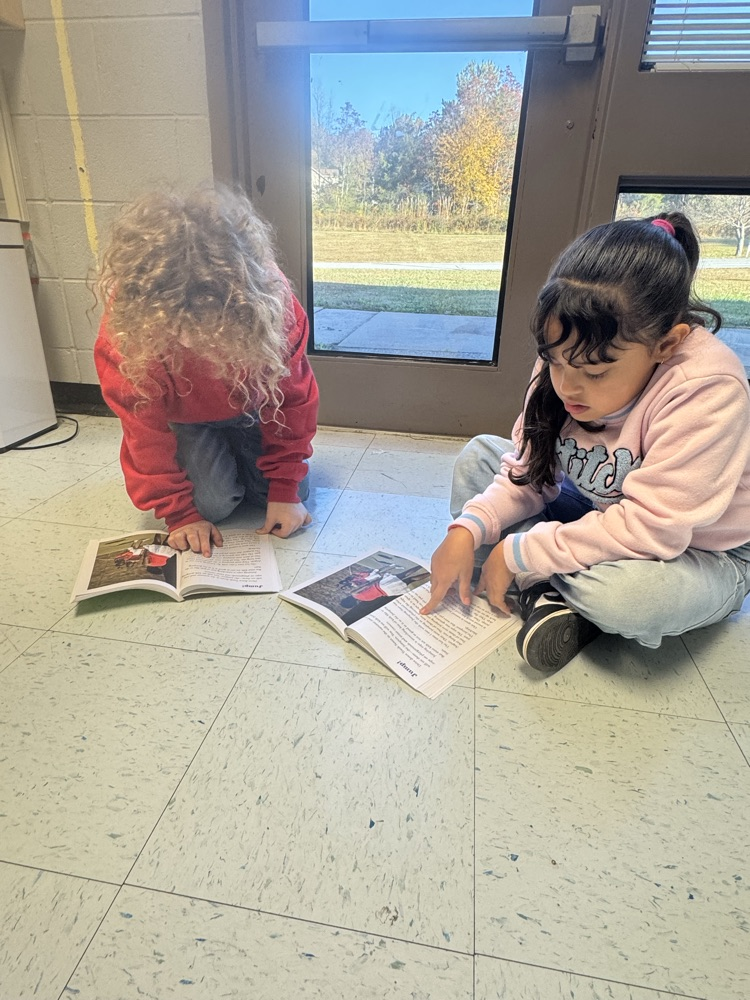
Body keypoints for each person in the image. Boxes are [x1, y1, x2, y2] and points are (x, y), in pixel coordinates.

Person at [421, 213, 750, 674]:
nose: (567, 388)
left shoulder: (707, 388)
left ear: (666, 344)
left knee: (629, 598)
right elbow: (529, 472)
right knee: (479, 456)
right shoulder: (570, 356)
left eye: (596, 373)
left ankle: (544, 585)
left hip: (696, 551)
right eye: (553, 361)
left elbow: (652, 529)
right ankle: (552, 593)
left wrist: (519, 551)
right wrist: (469, 529)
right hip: (598, 506)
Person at [94, 183, 318, 557]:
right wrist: (179, 513)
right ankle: (222, 455)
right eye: (175, 330)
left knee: (287, 494)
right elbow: (143, 431)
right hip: (183, 419)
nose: (189, 341)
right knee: (213, 505)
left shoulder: (272, 304)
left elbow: (293, 400)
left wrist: (285, 488)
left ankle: (239, 455)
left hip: (255, 409)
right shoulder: (127, 329)